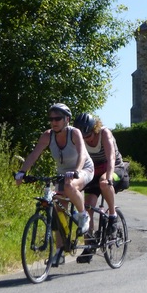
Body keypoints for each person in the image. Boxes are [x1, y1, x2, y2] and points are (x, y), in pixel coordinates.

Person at [15, 103, 94, 263]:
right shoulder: (47, 135)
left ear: (67, 119)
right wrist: (22, 172)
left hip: (84, 169)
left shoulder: (75, 133)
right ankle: (59, 251)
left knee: (69, 186)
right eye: (51, 119)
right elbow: (34, 154)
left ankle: (83, 215)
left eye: (58, 118)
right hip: (63, 174)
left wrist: (77, 171)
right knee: (57, 207)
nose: (54, 122)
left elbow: (82, 155)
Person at [73, 113, 126, 264]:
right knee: (87, 206)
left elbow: (111, 159)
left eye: (89, 134)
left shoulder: (104, 133)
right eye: (83, 136)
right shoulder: (80, 138)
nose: (87, 139)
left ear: (94, 129)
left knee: (104, 183)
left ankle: (113, 216)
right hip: (94, 171)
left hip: (115, 169)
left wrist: (109, 177)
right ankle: (90, 243)